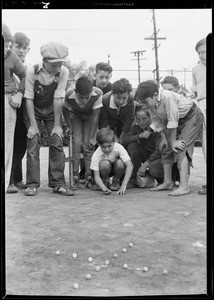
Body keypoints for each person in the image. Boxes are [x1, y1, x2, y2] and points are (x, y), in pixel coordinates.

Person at [135, 80, 204, 196]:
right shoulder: (151, 106)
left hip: (192, 116)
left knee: (179, 148)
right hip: (178, 121)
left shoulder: (166, 97)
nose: (145, 106)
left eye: (146, 102)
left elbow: (173, 120)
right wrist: (164, 139)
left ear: (155, 95)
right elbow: (158, 124)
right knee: (166, 148)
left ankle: (184, 186)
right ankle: (168, 182)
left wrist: (174, 141)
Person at [23, 41, 73, 196]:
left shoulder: (63, 72)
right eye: (54, 65)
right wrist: (33, 125)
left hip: (53, 110)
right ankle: (32, 184)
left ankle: (58, 183)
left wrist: (58, 125)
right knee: (33, 142)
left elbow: (59, 98)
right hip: (34, 110)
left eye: (60, 64)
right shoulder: (32, 71)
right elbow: (29, 99)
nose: (58, 68)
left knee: (57, 141)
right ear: (44, 61)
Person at [63, 75, 103, 190]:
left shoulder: (98, 93)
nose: (85, 100)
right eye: (81, 97)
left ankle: (88, 176)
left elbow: (96, 117)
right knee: (76, 142)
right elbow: (64, 109)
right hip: (76, 116)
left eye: (87, 97)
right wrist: (69, 126)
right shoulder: (69, 94)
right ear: (76, 92)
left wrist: (92, 136)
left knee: (88, 145)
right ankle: (75, 175)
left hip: (90, 117)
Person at [79, 62, 113, 181]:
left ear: (110, 76)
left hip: (104, 121)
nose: (104, 80)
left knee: (104, 143)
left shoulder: (112, 89)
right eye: (101, 77)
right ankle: (85, 173)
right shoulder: (88, 86)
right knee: (86, 144)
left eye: (107, 77)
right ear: (95, 75)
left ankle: (103, 172)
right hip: (90, 119)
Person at [3, 23, 26, 192]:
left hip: (9, 101)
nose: (6, 47)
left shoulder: (11, 56)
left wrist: (19, 93)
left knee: (10, 143)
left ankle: (7, 181)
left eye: (8, 44)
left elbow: (24, 74)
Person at [7, 32, 31, 193]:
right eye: (18, 46)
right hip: (9, 109)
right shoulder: (8, 64)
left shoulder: (26, 70)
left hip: (22, 113)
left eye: (25, 48)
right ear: (11, 46)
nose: (21, 51)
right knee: (10, 146)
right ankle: (8, 181)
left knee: (20, 146)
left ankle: (16, 179)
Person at [122, 105, 157, 188]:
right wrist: (138, 136)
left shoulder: (156, 128)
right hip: (145, 154)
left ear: (151, 117)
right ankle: (133, 179)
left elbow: (159, 151)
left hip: (157, 157)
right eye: (138, 119)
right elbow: (124, 141)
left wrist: (145, 165)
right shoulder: (136, 127)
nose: (141, 122)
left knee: (154, 169)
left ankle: (164, 179)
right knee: (132, 146)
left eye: (144, 118)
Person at [90, 128, 133, 195]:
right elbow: (96, 176)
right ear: (98, 145)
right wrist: (103, 187)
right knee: (104, 164)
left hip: (118, 169)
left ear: (114, 141)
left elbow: (129, 165)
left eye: (109, 146)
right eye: (103, 147)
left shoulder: (119, 147)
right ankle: (105, 181)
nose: (107, 149)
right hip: (105, 170)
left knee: (120, 163)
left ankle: (116, 180)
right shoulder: (96, 154)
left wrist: (123, 186)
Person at [191, 38, 207, 195]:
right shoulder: (196, 69)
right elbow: (195, 92)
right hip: (202, 104)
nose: (202, 55)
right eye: (199, 53)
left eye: (204, 52)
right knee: (206, 145)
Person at [99, 78, 135, 143]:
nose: (121, 101)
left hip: (123, 121)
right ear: (113, 94)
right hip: (110, 121)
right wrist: (111, 134)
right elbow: (104, 121)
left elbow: (129, 118)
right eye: (118, 98)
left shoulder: (130, 98)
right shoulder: (105, 99)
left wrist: (122, 136)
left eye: (124, 98)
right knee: (108, 140)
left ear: (128, 95)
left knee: (124, 141)